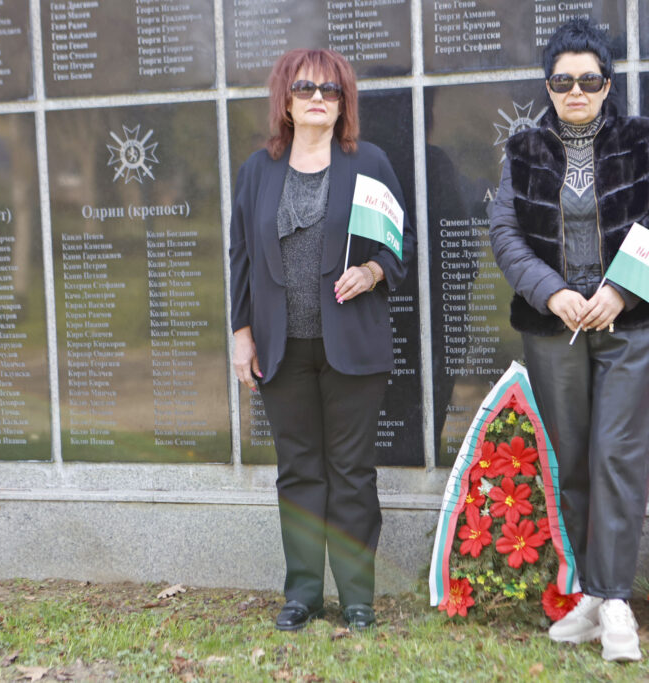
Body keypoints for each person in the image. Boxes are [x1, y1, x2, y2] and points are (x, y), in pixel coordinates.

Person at [488, 18, 649, 661]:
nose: (576, 91)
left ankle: (615, 603)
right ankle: (594, 595)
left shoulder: (642, 138)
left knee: (618, 456)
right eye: (562, 81)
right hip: (556, 328)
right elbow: (505, 234)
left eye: (589, 80)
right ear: (547, 86)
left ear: (607, 84)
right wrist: (552, 292)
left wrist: (620, 291)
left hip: (628, 325)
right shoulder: (523, 150)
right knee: (571, 459)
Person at [229, 48, 415, 632]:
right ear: (285, 100)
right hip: (282, 348)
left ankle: (357, 597)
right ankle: (303, 594)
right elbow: (240, 255)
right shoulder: (258, 170)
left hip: (352, 346)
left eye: (330, 90)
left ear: (343, 103)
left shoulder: (369, 164)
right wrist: (241, 333)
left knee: (352, 472)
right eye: (305, 88)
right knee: (299, 472)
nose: (317, 98)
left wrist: (374, 271)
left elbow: (400, 244)